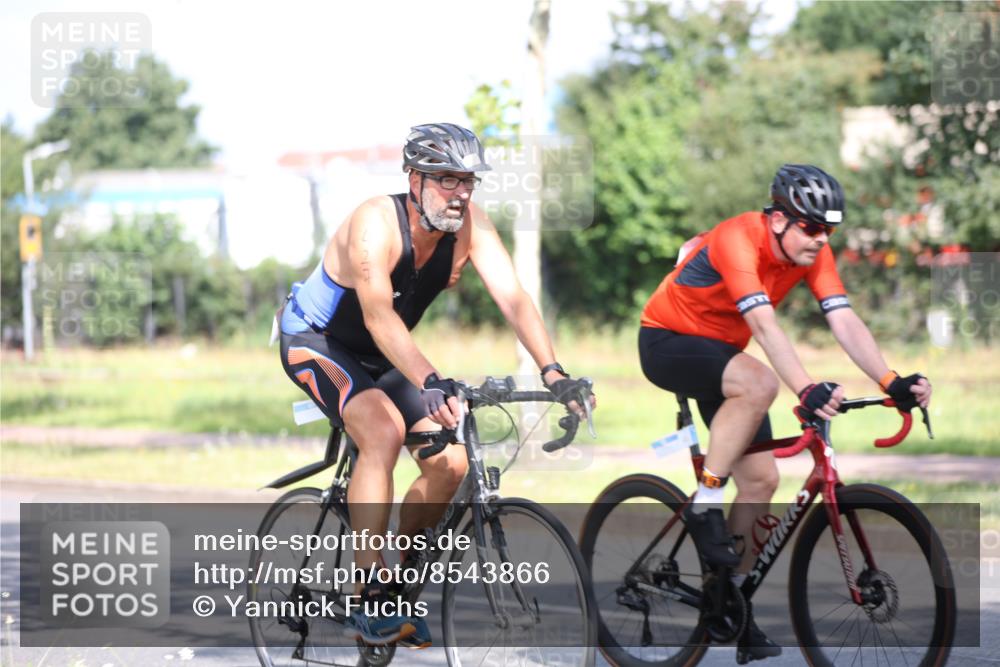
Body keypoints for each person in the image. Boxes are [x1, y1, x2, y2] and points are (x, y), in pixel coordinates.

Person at [277, 122, 594, 648]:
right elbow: (378, 316)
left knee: (453, 463)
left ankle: (398, 582)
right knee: (381, 430)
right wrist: (428, 378)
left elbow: (513, 298)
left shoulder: (470, 226)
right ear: (414, 178)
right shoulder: (373, 223)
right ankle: (365, 591)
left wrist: (553, 371)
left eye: (467, 180)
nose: (460, 191)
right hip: (317, 340)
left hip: (384, 352)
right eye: (447, 179)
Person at [637, 164, 932, 664]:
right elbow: (765, 326)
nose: (821, 240)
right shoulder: (737, 239)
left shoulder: (814, 251)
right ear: (778, 220)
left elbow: (843, 317)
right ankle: (705, 501)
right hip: (668, 341)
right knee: (761, 382)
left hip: (725, 358)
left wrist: (890, 380)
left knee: (760, 482)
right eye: (812, 228)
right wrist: (807, 388)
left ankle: (728, 601)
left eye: (829, 230)